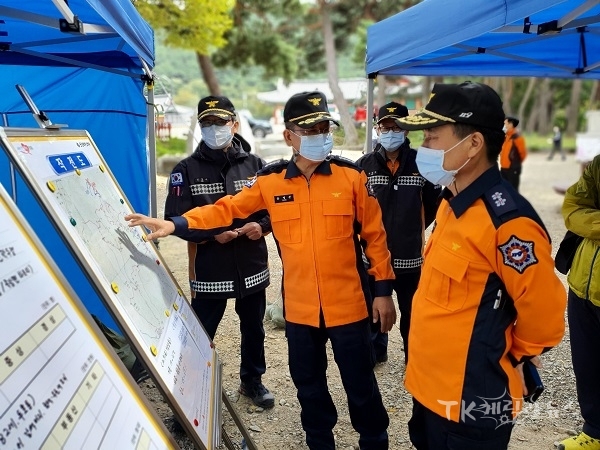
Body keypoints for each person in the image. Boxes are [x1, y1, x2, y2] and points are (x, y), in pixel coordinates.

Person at [126, 90, 397, 450]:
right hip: (299, 309)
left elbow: (375, 238)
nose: (320, 135)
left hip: (348, 304)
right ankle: (320, 442)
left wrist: (382, 293)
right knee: (309, 386)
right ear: (289, 137)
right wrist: (175, 224)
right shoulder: (269, 181)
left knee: (361, 383)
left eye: (323, 127)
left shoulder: (351, 177)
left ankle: (374, 440)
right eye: (309, 129)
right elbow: (226, 209)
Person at [395, 81, 566, 449]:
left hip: (473, 396)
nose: (421, 147)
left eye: (431, 136)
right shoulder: (451, 201)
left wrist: (509, 354)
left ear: (473, 144)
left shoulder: (509, 223)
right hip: (428, 385)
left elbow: (546, 317)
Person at [164, 95, 274, 408]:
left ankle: (252, 382)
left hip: (252, 265)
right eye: (207, 123)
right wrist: (213, 234)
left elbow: (274, 208)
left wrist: (261, 226)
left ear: (235, 124)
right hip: (210, 268)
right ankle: (188, 396)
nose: (214, 128)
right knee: (200, 335)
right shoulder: (184, 170)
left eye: (220, 122)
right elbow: (177, 219)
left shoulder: (255, 166)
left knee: (253, 328)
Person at [356, 101, 441, 364]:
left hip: (409, 258)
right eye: (385, 127)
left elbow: (433, 205)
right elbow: (357, 211)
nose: (390, 132)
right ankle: (375, 352)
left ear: (406, 131)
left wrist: (411, 228)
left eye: (396, 127)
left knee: (412, 312)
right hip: (374, 257)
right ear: (377, 128)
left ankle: (413, 359)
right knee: (374, 311)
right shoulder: (363, 166)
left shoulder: (422, 165)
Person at [558, 154, 600, 450]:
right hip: (582, 284)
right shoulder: (599, 165)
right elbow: (572, 207)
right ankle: (595, 431)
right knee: (587, 364)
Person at [500, 115, 527, 191]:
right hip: (504, 168)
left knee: (513, 191)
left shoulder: (517, 138)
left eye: (505, 123)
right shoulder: (506, 137)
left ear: (511, 124)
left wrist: (515, 162)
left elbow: (522, 153)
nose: (503, 126)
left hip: (513, 169)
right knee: (504, 190)